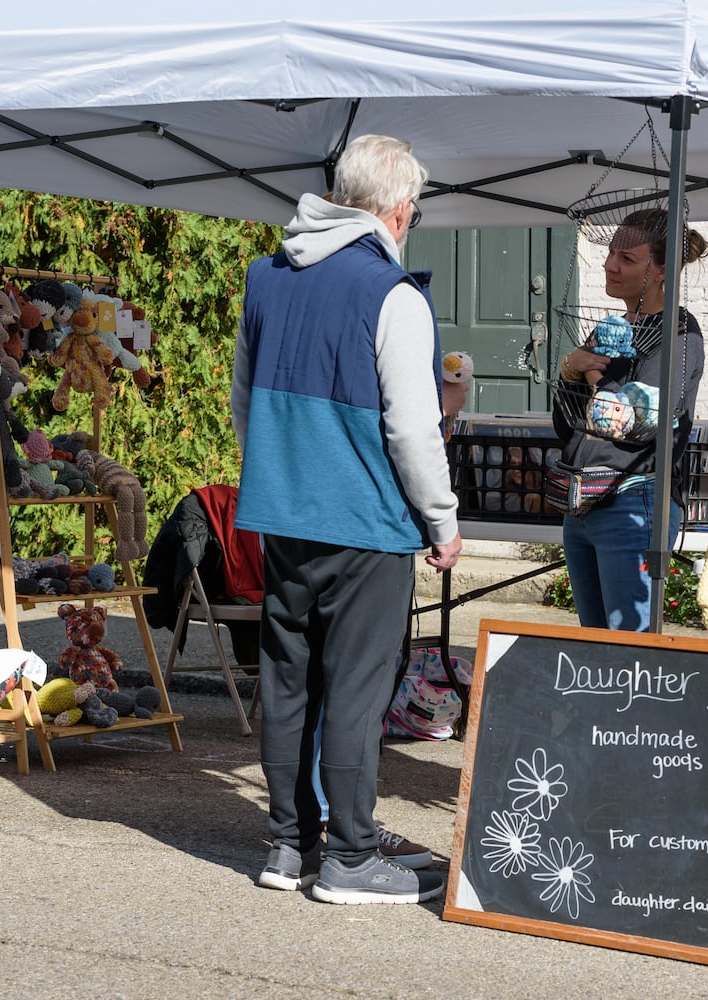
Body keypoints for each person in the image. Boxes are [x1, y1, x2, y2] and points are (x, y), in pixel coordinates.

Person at [231, 134, 461, 904]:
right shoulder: (393, 294)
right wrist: (442, 519)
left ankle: (288, 846)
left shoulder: (263, 281)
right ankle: (353, 857)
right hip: (365, 522)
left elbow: (243, 407)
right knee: (358, 693)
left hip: (283, 514)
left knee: (288, 683)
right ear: (400, 210)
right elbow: (412, 426)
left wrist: (285, 474)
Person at [553, 208, 708, 631]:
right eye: (610, 253)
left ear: (660, 270)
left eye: (627, 258)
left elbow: (628, 421)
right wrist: (571, 371)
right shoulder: (612, 328)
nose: (610, 265)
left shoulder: (678, 334)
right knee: (595, 645)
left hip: (632, 501)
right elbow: (567, 426)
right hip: (582, 502)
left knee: (629, 652)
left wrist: (583, 368)